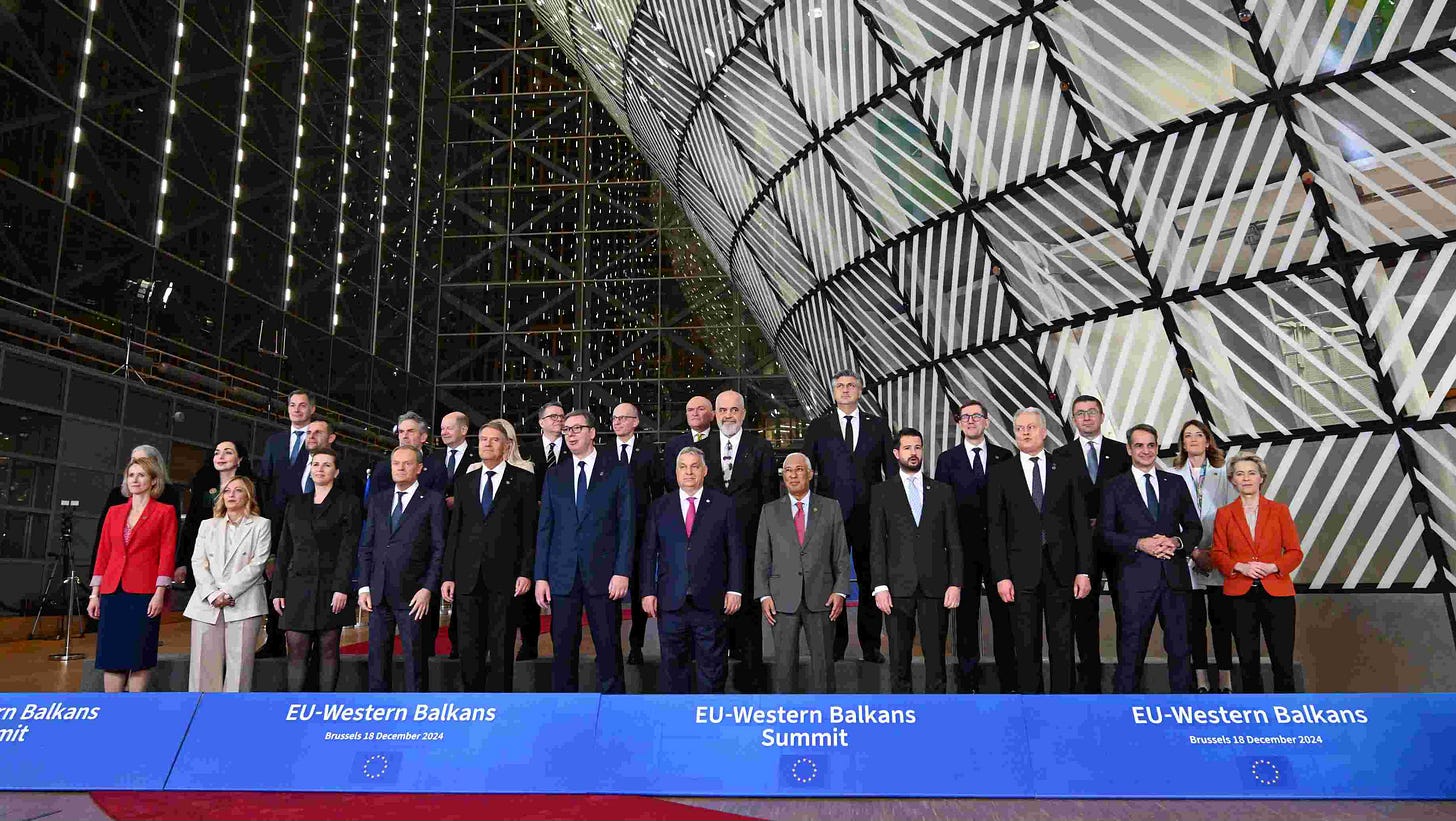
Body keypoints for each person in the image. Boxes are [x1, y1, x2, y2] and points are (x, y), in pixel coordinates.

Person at [987, 408, 1093, 694]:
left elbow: (1080, 524)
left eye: (1030, 427)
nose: (1024, 432)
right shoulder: (1001, 473)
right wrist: (1001, 576)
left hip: (1062, 571)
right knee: (1025, 644)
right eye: (1019, 428)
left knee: (1063, 643)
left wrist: (1084, 571)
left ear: (1044, 432)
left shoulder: (1067, 468)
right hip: (1020, 573)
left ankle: (1062, 703)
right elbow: (995, 529)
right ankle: (1031, 705)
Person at [534, 410, 634, 694]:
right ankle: (565, 706)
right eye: (567, 430)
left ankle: (613, 705)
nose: (571, 434)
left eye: (577, 428)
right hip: (562, 575)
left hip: (604, 576)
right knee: (563, 648)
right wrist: (541, 576)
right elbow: (545, 528)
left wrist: (622, 571)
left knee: (608, 645)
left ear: (592, 433)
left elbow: (627, 525)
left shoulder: (616, 471)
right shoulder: (555, 474)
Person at [1099, 425, 1203, 694]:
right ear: (1129, 449)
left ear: (1157, 447)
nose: (1145, 451)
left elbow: (1194, 528)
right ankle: (1125, 710)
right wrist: (1139, 543)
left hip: (1174, 579)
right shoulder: (1114, 487)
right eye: (1139, 446)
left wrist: (1176, 542)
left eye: (1150, 445)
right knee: (1131, 650)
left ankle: (1183, 710)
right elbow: (1105, 534)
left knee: (1181, 649)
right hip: (1134, 581)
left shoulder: (1175, 483)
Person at [802, 369, 897, 663]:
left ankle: (871, 646)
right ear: (834, 392)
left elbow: (891, 472)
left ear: (860, 390)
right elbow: (807, 472)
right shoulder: (818, 426)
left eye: (851, 385)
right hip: (830, 516)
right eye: (840, 386)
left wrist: (891, 512)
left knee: (871, 578)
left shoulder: (878, 426)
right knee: (832, 579)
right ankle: (836, 645)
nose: (845, 390)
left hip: (870, 515)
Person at [442, 421, 537, 692]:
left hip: (506, 578)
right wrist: (448, 575)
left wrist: (525, 572)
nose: (487, 444)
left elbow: (529, 532)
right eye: (483, 439)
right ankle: (472, 703)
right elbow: (455, 532)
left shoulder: (524, 480)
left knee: (501, 647)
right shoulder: (465, 482)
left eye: (494, 439)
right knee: (469, 647)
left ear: (507, 446)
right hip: (467, 577)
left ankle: (500, 704)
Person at [640, 447, 744, 694]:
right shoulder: (659, 507)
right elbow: (648, 553)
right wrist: (647, 591)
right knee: (673, 667)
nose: (688, 472)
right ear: (676, 472)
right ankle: (680, 714)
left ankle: (710, 713)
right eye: (683, 467)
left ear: (705, 471)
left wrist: (735, 589)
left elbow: (736, 551)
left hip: (710, 600)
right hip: (670, 601)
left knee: (713, 667)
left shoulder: (724, 505)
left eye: (695, 466)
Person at [870, 428, 962, 694]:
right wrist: (880, 587)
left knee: (937, 659)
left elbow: (954, 541)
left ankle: (936, 710)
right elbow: (877, 544)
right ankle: (902, 713)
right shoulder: (881, 492)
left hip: (936, 587)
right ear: (896, 453)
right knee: (899, 660)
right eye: (908, 448)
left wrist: (955, 583)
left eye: (918, 447)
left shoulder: (942, 491)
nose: (914, 453)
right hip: (896, 589)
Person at [934, 400, 1017, 693]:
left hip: (999, 550)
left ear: (987, 421)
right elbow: (941, 507)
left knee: (1004, 616)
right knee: (966, 617)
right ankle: (968, 680)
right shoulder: (947, 460)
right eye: (965, 417)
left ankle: (1009, 679)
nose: (970, 421)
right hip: (962, 550)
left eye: (976, 416)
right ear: (958, 423)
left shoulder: (1004, 456)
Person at [1052, 394, 1129, 693]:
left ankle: (1126, 676)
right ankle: (1089, 678)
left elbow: (1130, 497)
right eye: (1080, 413)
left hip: (1118, 544)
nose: (1086, 417)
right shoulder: (1060, 455)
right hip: (1079, 546)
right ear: (1073, 419)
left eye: (1091, 412)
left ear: (1102, 416)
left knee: (1126, 611)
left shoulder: (1121, 452)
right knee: (1083, 613)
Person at [755, 453, 849, 693]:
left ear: (810, 474)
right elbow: (762, 558)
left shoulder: (830, 507)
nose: (793, 475)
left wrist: (840, 591)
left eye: (799, 470)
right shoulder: (769, 511)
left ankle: (825, 712)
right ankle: (786, 712)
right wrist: (764, 595)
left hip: (822, 598)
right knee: (784, 667)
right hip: (781, 599)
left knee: (823, 667)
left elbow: (840, 554)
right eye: (788, 470)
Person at [704, 389, 778, 691]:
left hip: (749, 543)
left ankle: (750, 687)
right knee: (713, 617)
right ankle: (713, 689)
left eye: (734, 410)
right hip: (710, 547)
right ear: (715, 415)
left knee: (747, 613)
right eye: (722, 410)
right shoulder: (701, 448)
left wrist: (767, 543)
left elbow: (770, 498)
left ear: (744, 414)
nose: (728, 415)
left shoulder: (761, 447)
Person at [357, 445, 447, 692]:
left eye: (407, 463)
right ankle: (379, 707)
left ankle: (415, 708)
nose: (400, 468)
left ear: (419, 468)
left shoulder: (433, 500)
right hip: (378, 594)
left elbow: (439, 548)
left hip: (414, 595)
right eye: (396, 463)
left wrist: (428, 588)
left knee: (415, 661)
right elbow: (367, 546)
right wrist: (364, 586)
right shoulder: (379, 500)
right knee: (377, 661)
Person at [1211, 453, 1303, 693]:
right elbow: (1218, 554)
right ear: (1232, 480)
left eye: (1251, 473)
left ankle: (1286, 711)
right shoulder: (1224, 514)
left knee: (1282, 661)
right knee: (1247, 662)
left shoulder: (1279, 511)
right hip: (1239, 595)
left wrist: (1274, 567)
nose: (1246, 478)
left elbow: (1295, 552)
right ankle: (1256, 713)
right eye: (1240, 474)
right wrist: (1240, 566)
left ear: (1261, 478)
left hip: (1278, 593)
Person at [272, 448, 362, 693]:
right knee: (296, 651)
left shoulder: (348, 503)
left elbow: (348, 549)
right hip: (297, 587)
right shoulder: (295, 504)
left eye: (326, 465)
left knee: (328, 651)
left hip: (331, 587)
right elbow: (284, 549)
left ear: (336, 472)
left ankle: (324, 707)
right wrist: (278, 589)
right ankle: (295, 706)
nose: (320, 469)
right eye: (316, 464)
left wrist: (341, 588)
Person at [87, 455, 178, 693]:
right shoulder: (114, 512)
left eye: (141, 475)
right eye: (131, 475)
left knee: (139, 657)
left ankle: (134, 710)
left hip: (144, 594)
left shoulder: (165, 512)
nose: (135, 480)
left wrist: (160, 593)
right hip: (112, 592)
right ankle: (113, 710)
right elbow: (103, 553)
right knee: (112, 657)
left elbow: (167, 554)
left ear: (153, 480)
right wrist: (94, 594)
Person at [184, 476, 271, 693]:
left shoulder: (261, 525)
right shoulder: (207, 525)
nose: (231, 495)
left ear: (248, 496)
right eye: (227, 491)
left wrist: (228, 592)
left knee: (239, 670)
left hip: (244, 601)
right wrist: (213, 595)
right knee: (203, 670)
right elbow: (197, 562)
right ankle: (202, 710)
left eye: (238, 490)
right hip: (207, 601)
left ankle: (233, 712)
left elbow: (257, 564)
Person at [1173, 420, 1236, 694]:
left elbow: (1232, 513)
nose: (1193, 439)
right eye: (1188, 436)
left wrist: (1214, 551)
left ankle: (1225, 679)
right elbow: (1170, 517)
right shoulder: (1173, 474)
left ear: (1208, 440)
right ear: (1183, 443)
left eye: (1199, 435)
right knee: (1194, 623)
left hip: (1219, 554)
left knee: (1222, 621)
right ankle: (1200, 678)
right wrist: (1194, 551)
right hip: (1188, 556)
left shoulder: (1223, 471)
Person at [257, 389, 317, 657]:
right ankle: (273, 639)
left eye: (302, 405)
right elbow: (265, 483)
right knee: (274, 579)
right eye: (292, 405)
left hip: (308, 522)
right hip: (276, 521)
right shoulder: (275, 442)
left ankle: (305, 643)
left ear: (312, 409)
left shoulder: (317, 441)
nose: (296, 409)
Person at [605, 402, 659, 666]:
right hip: (608, 533)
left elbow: (658, 491)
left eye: (623, 418)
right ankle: (610, 646)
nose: (617, 422)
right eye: (614, 418)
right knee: (608, 593)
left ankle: (636, 645)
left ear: (635, 422)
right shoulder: (603, 453)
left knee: (638, 589)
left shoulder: (649, 451)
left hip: (640, 531)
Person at [515, 401, 566, 661]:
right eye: (553, 416)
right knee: (529, 584)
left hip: (565, 529)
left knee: (562, 590)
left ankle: (561, 644)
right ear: (541, 422)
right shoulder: (525, 452)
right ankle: (529, 643)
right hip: (531, 528)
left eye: (561, 416)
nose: (558, 420)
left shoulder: (574, 449)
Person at [92, 445, 184, 585]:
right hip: (113, 577)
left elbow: (170, 542)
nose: (137, 465)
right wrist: (96, 579)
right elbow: (103, 541)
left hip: (147, 576)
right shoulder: (116, 495)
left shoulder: (169, 496)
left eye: (143, 460)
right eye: (133, 460)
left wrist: (167, 576)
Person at [178, 441, 253, 587]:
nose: (221, 456)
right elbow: (191, 524)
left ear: (239, 459)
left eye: (228, 452)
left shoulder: (251, 487)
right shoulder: (203, 485)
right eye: (217, 453)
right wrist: (182, 562)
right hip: (203, 559)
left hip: (237, 560)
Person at [369, 411, 431, 497]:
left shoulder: (436, 467)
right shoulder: (382, 468)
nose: (404, 436)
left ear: (423, 437)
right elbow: (373, 501)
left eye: (410, 431)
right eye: (401, 432)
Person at [662, 395, 717, 491]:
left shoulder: (721, 441)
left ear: (712, 415)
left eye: (700, 409)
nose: (695, 413)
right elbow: (670, 479)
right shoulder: (673, 444)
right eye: (690, 410)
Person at [423, 411, 477, 504]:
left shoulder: (478, 458)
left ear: (463, 430)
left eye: (449, 428)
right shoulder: (433, 457)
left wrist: (459, 500)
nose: (444, 433)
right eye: (442, 429)